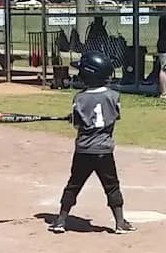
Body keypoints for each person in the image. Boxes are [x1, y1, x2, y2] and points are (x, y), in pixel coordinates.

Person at [52, 51, 134, 235]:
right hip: (104, 150)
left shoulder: (79, 98)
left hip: (83, 150)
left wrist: (73, 119)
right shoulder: (114, 95)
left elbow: (78, 124)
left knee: (74, 184)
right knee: (112, 185)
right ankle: (120, 222)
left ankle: (60, 220)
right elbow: (113, 118)